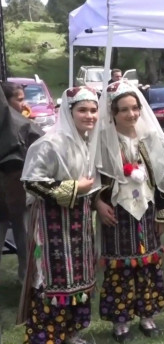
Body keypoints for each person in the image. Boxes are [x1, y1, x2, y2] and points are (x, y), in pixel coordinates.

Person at [94, 81, 164, 341]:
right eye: (124, 110)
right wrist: (98, 203)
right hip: (117, 213)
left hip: (147, 210)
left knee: (149, 264)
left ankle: (147, 316)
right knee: (120, 267)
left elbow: (162, 178)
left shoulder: (149, 138)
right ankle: (121, 322)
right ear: (112, 113)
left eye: (135, 108)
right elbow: (92, 177)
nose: (131, 114)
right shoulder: (102, 142)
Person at [18, 86, 101, 344]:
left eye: (93, 110)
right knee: (53, 280)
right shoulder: (48, 143)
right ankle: (47, 336)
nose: (89, 115)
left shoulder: (89, 141)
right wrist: (76, 188)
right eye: (83, 110)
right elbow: (31, 182)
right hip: (53, 223)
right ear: (68, 111)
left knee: (78, 277)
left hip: (80, 222)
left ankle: (69, 332)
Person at [0, 89, 42, 283]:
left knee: (24, 233)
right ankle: (29, 277)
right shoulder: (16, 122)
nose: (24, 104)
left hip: (19, 187)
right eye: (19, 100)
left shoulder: (20, 121)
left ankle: (29, 277)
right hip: (13, 183)